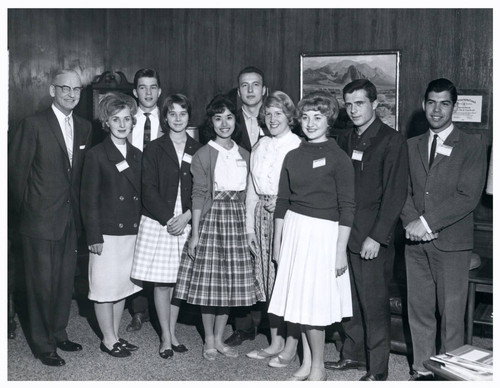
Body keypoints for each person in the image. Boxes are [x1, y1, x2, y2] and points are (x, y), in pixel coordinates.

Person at [400, 78, 486, 380]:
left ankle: (452, 375)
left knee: (452, 317)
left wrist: (425, 223)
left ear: (454, 107)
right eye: (432, 102)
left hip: (451, 244)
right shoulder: (410, 145)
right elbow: (404, 191)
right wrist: (413, 225)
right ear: (424, 105)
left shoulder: (472, 146)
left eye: (444, 103)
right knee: (419, 311)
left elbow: (468, 196)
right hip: (415, 244)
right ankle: (422, 370)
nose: (437, 110)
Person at [324, 79, 409, 381]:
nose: (354, 109)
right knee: (350, 303)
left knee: (374, 307)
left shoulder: (391, 140)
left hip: (372, 238)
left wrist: (378, 235)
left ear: (375, 104)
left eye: (360, 103)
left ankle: (378, 370)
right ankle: (353, 356)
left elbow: (395, 193)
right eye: (349, 104)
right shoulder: (345, 138)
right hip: (344, 236)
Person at [268, 91, 355, 381]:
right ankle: (306, 364)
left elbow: (348, 207)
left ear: (329, 120)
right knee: (299, 302)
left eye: (318, 117)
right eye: (305, 117)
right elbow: (282, 202)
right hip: (295, 231)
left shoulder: (338, 157)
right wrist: (277, 244)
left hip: (323, 235)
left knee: (314, 305)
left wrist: (340, 250)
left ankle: (318, 367)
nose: (310, 123)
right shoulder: (292, 155)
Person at [8, 69, 92, 366]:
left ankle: (58, 332)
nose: (71, 94)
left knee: (63, 280)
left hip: (70, 219)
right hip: (38, 220)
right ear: (51, 90)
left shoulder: (84, 127)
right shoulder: (32, 124)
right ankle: (43, 345)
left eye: (77, 90)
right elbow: (16, 177)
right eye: (65, 88)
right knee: (41, 284)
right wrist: (25, 219)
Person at [174, 94, 264, 361]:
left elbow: (250, 193)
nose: (223, 123)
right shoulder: (203, 154)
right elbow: (199, 194)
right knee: (209, 285)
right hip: (213, 220)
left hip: (237, 220)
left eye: (228, 117)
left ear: (235, 120)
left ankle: (221, 338)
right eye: (217, 118)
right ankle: (209, 341)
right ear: (210, 122)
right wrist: (195, 233)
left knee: (230, 286)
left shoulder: (245, 154)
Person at [131, 94, 202, 359]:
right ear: (165, 117)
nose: (178, 118)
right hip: (159, 221)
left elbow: (202, 189)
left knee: (179, 282)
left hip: (186, 218)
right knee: (162, 283)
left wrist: (186, 216)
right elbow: (147, 189)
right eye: (172, 114)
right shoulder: (154, 148)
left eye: (182, 113)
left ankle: (172, 332)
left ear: (189, 116)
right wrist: (167, 218)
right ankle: (164, 335)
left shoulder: (199, 149)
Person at [80, 92, 143, 357]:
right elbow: (88, 199)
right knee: (104, 288)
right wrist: (93, 235)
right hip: (105, 233)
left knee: (121, 287)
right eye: (115, 119)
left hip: (131, 232)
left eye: (126, 119)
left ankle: (115, 335)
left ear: (132, 122)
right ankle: (108, 339)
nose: (121, 124)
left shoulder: (138, 154)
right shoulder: (97, 155)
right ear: (106, 122)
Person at [244, 91, 301, 367]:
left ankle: (291, 345)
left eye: (278, 112)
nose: (273, 118)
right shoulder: (260, 145)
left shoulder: (298, 145)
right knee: (269, 282)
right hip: (260, 221)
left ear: (289, 115)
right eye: (268, 113)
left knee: (288, 282)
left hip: (289, 219)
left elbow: (302, 190)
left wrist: (280, 204)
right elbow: (252, 190)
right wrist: (249, 229)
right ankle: (275, 341)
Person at [224, 65, 271, 347]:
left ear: (264, 89)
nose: (250, 90)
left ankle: (268, 322)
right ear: (238, 91)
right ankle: (242, 325)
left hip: (268, 202)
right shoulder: (230, 120)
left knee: (268, 262)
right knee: (240, 262)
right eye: (245, 85)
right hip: (237, 201)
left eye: (255, 85)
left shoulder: (276, 117)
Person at [126, 68, 163, 332]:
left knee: (159, 252)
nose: (147, 93)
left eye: (152, 87)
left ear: (159, 91)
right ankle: (138, 310)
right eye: (142, 87)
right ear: (135, 91)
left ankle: (162, 312)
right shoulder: (126, 119)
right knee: (135, 252)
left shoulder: (171, 118)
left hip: (161, 195)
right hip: (130, 193)